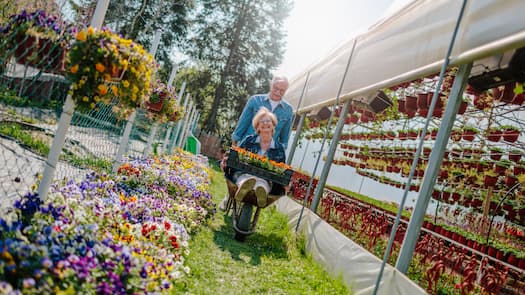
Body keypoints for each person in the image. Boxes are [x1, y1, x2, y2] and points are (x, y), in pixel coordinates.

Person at [220, 107, 286, 210]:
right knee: (245, 179)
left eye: (267, 121)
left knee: (262, 185)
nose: (265, 123)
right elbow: (236, 154)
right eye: (261, 122)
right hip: (243, 174)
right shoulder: (249, 140)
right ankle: (242, 188)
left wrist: (286, 182)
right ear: (257, 127)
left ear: (273, 125)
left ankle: (261, 194)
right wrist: (226, 160)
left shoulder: (279, 148)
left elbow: (282, 169)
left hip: (265, 179)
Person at [232, 76, 294, 149]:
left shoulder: (288, 110)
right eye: (275, 88)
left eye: (282, 90)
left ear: (286, 90)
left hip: (267, 153)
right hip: (246, 147)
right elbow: (242, 124)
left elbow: (284, 137)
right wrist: (234, 145)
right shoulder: (255, 100)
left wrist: (279, 153)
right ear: (271, 85)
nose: (278, 92)